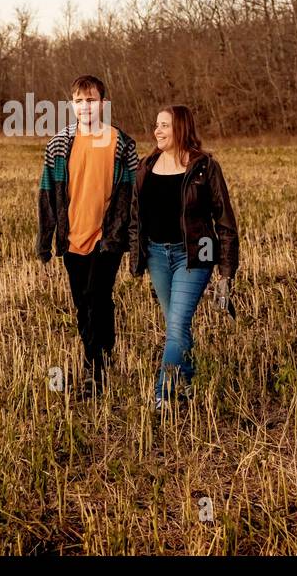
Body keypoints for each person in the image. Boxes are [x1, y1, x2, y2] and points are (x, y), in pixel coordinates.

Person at [128, 105, 238, 410]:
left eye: (165, 125)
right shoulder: (145, 166)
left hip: (195, 255)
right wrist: (136, 254)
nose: (157, 131)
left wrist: (226, 274)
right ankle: (187, 380)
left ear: (181, 129)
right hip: (158, 256)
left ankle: (163, 394)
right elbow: (135, 217)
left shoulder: (204, 167)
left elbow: (225, 221)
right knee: (176, 326)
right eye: (156, 125)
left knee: (176, 326)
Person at [36, 75, 139, 399]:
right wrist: (45, 238)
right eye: (79, 101)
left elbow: (133, 198)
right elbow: (48, 193)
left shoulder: (122, 143)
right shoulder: (59, 144)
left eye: (91, 100)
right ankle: (102, 352)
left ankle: (94, 371)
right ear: (72, 106)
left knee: (96, 296)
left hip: (107, 237)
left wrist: (134, 243)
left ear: (103, 104)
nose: (85, 106)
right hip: (72, 239)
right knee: (84, 304)